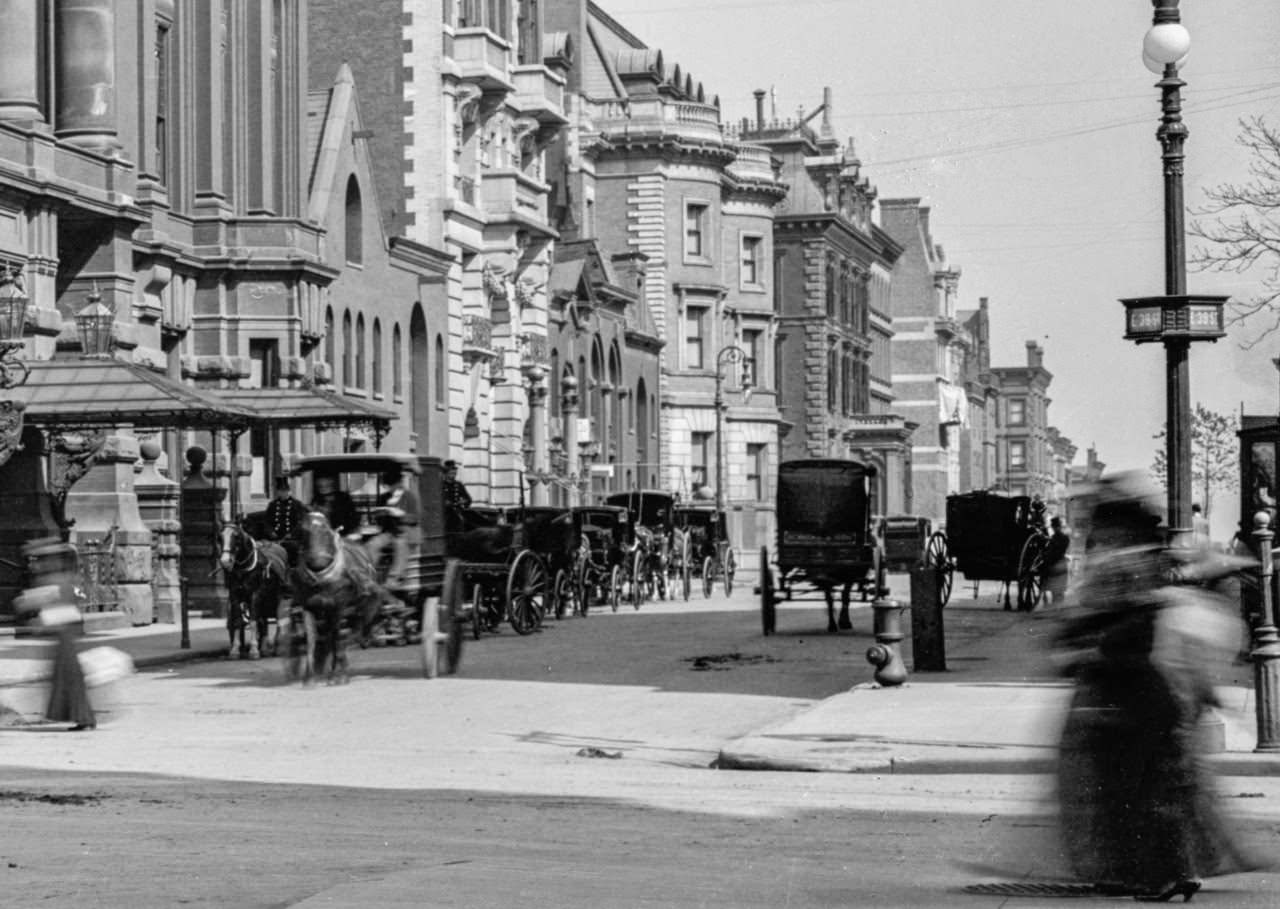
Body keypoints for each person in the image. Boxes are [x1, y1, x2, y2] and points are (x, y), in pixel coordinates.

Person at [1054, 473, 1261, 901]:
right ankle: (1166, 869)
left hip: (1127, 689)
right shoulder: (1153, 561)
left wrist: (1080, 643)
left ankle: (1154, 873)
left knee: (1131, 784)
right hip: (1155, 687)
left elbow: (1103, 623)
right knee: (1160, 781)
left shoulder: (1117, 566)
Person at [368, 465, 420, 590]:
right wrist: (380, 513)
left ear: (399, 483)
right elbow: (379, 520)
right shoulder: (384, 497)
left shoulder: (409, 496)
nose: (391, 488)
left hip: (406, 532)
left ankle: (394, 579)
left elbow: (415, 518)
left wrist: (400, 515)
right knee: (372, 544)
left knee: (400, 544)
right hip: (390, 532)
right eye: (389, 486)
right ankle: (369, 576)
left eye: (393, 485)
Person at [265, 475, 307, 565]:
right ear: (278, 492)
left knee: (293, 551)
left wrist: (291, 534)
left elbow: (300, 522)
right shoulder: (272, 505)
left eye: (285, 491)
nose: (284, 493)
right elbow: (267, 522)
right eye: (281, 491)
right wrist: (271, 532)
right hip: (275, 538)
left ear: (289, 491)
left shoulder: (297, 504)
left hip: (291, 539)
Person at [1042, 516, 1071, 606]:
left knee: (1058, 590)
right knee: (1056, 590)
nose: (1054, 529)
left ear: (1058, 527)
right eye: (1054, 527)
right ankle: (1056, 606)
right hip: (1056, 563)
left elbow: (1059, 551)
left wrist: (1049, 558)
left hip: (1058, 563)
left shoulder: (1062, 538)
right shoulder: (1054, 538)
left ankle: (1057, 606)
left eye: (1055, 527)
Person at [442, 460, 472, 533]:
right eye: (451, 473)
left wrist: (463, 501)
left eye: (455, 473)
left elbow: (468, 499)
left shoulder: (458, 485)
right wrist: (444, 502)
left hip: (456, 514)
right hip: (444, 516)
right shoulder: (440, 485)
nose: (454, 474)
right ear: (446, 473)